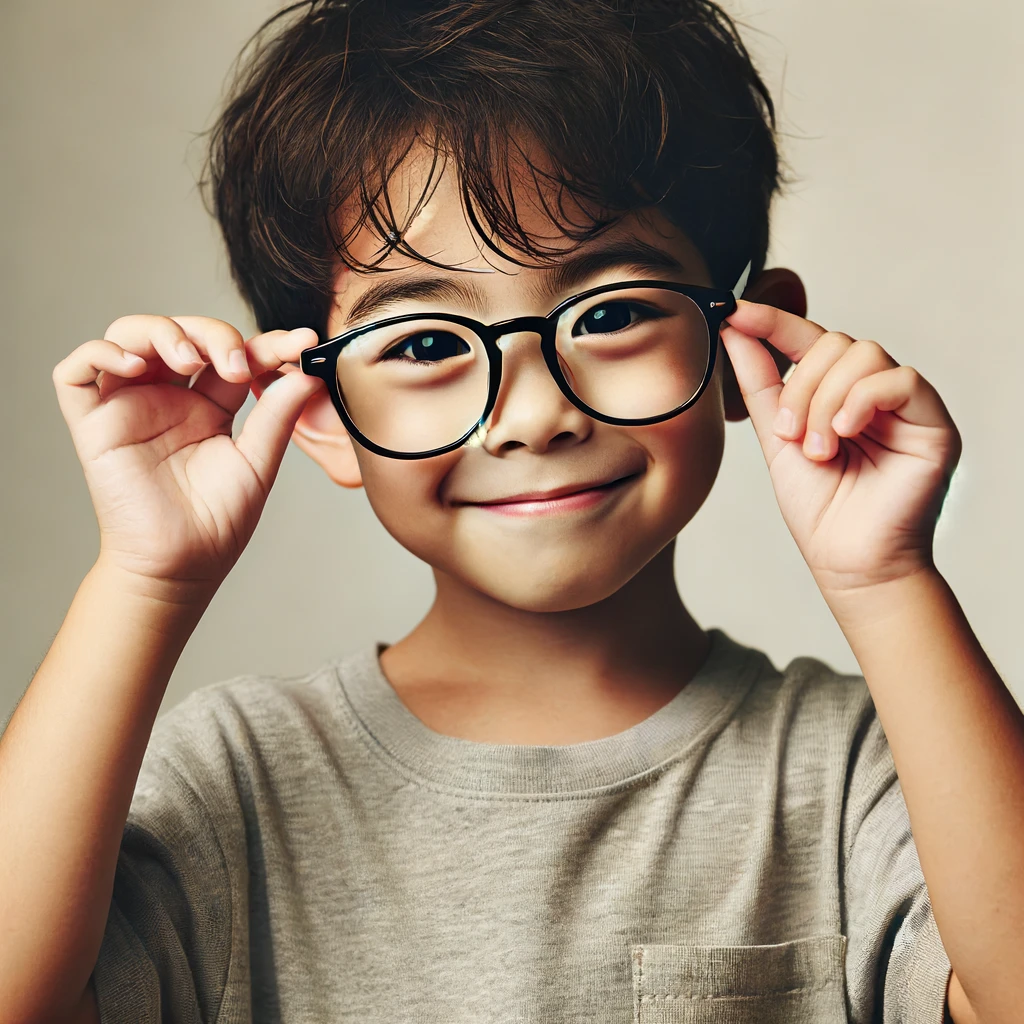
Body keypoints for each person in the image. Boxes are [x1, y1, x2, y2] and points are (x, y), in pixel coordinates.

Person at [1, 1, 1020, 1021]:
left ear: (752, 346)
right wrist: (143, 577)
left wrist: (886, 581)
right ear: (313, 410)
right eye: (426, 344)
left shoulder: (854, 774)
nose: (533, 414)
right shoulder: (238, 780)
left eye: (612, 314)